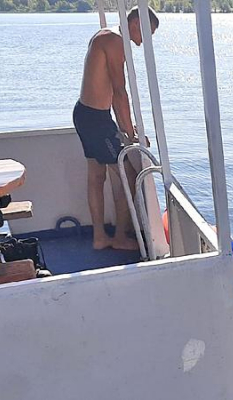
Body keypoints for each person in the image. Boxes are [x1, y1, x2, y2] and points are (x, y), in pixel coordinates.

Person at [73, 6, 159, 250]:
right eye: (148, 33)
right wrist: (132, 136)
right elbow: (119, 92)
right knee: (128, 176)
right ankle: (119, 236)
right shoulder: (115, 42)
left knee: (97, 177)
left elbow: (109, 93)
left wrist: (126, 126)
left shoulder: (106, 35)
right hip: (96, 120)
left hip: (86, 114)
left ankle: (99, 237)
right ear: (135, 24)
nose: (146, 42)